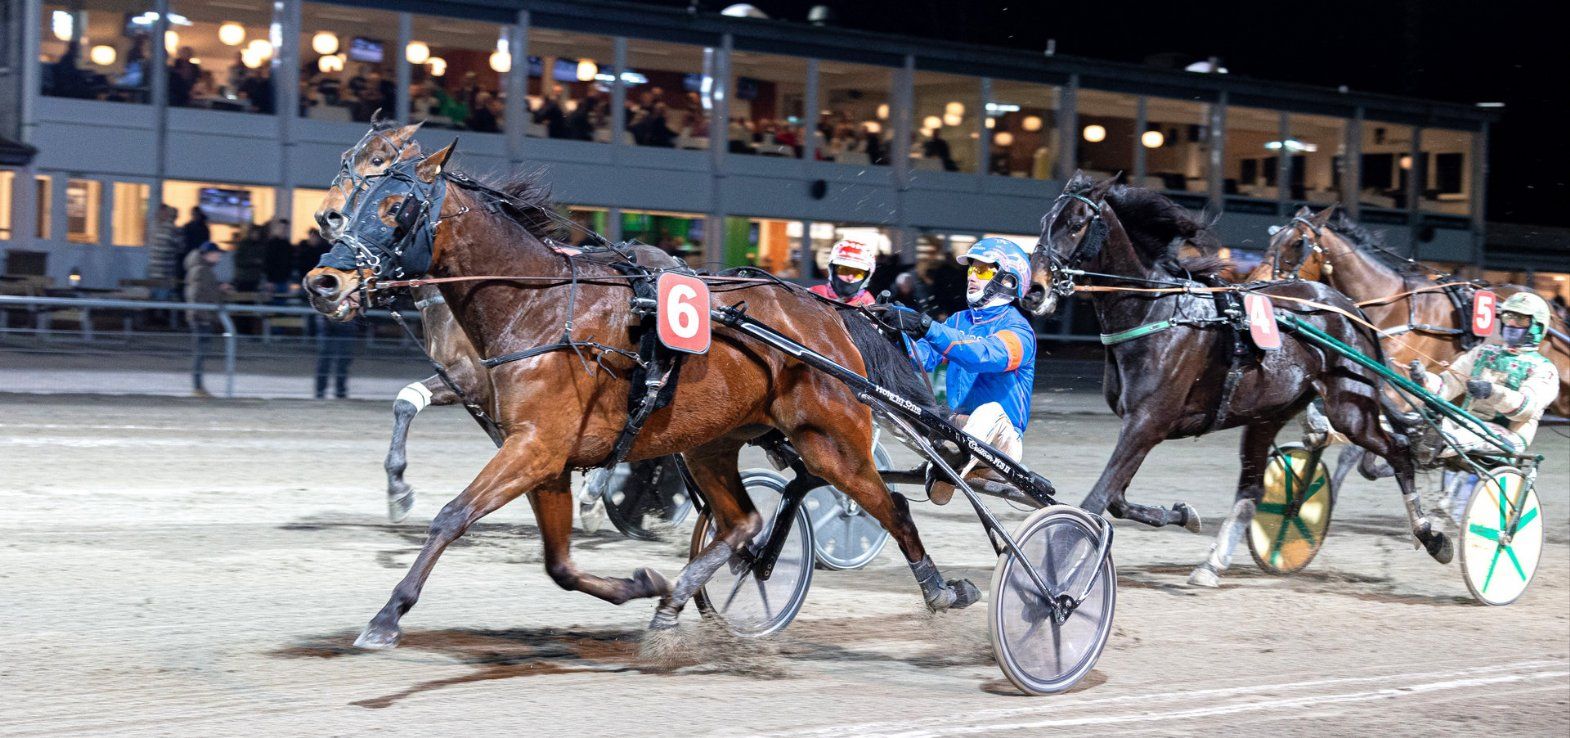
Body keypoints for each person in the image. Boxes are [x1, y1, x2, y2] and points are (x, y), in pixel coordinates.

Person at [880, 238, 1036, 504]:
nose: (973, 276)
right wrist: (896, 333)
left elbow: (982, 357)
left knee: (989, 411)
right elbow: (921, 359)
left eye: (984, 270)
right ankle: (946, 458)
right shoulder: (958, 320)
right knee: (886, 403)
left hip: (1002, 440)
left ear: (1009, 280)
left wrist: (928, 326)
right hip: (960, 431)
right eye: (972, 269)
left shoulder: (1020, 332)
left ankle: (947, 466)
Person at [1408, 292, 1560, 499]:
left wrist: (1492, 392)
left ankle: (1435, 444)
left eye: (1521, 319)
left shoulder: (1544, 369)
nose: (1512, 324)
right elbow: (1448, 384)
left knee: (1465, 431)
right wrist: (1424, 379)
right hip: (1467, 422)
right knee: (1418, 421)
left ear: (1537, 326)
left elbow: (1525, 409)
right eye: (1508, 318)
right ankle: (1426, 441)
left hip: (1510, 436)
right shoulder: (1483, 353)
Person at [184, 243, 229, 397]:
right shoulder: (202, 270)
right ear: (207, 254)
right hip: (201, 317)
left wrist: (218, 290)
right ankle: (198, 387)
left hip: (202, 316)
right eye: (216, 254)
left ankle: (199, 387)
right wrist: (201, 315)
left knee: (201, 353)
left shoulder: (202, 269)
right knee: (200, 353)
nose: (219, 257)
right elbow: (196, 294)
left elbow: (205, 292)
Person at [809, 239, 877, 306]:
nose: (850, 278)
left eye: (858, 273)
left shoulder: (869, 304)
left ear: (866, 277)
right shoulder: (813, 293)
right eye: (844, 270)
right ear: (832, 270)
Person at [315, 314, 357, 399]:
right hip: (327, 324)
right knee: (324, 362)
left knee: (342, 363)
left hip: (346, 324)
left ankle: (340, 392)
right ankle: (320, 392)